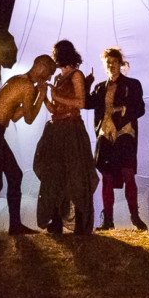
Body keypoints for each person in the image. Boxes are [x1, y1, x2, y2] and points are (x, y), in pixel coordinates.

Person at [0, 54, 56, 244]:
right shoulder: (27, 86)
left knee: (15, 174)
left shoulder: (18, 80)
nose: (49, 78)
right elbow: (29, 118)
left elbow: (15, 116)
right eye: (49, 73)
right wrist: (41, 96)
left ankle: (15, 226)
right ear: (41, 66)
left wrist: (36, 97)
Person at [34, 40, 99, 236]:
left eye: (55, 53)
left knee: (76, 176)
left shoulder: (76, 75)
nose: (53, 57)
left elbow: (80, 102)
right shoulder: (57, 78)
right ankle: (55, 221)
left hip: (72, 130)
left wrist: (56, 95)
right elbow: (54, 109)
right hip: (57, 129)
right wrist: (45, 96)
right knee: (55, 176)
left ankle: (80, 222)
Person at [86, 47, 147, 231]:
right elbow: (87, 104)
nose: (111, 65)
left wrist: (122, 110)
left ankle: (135, 217)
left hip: (125, 134)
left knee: (128, 175)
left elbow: (140, 108)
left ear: (121, 63)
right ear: (105, 65)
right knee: (107, 177)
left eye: (114, 62)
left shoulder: (133, 84)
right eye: (108, 63)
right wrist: (87, 84)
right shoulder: (99, 87)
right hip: (106, 135)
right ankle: (108, 220)